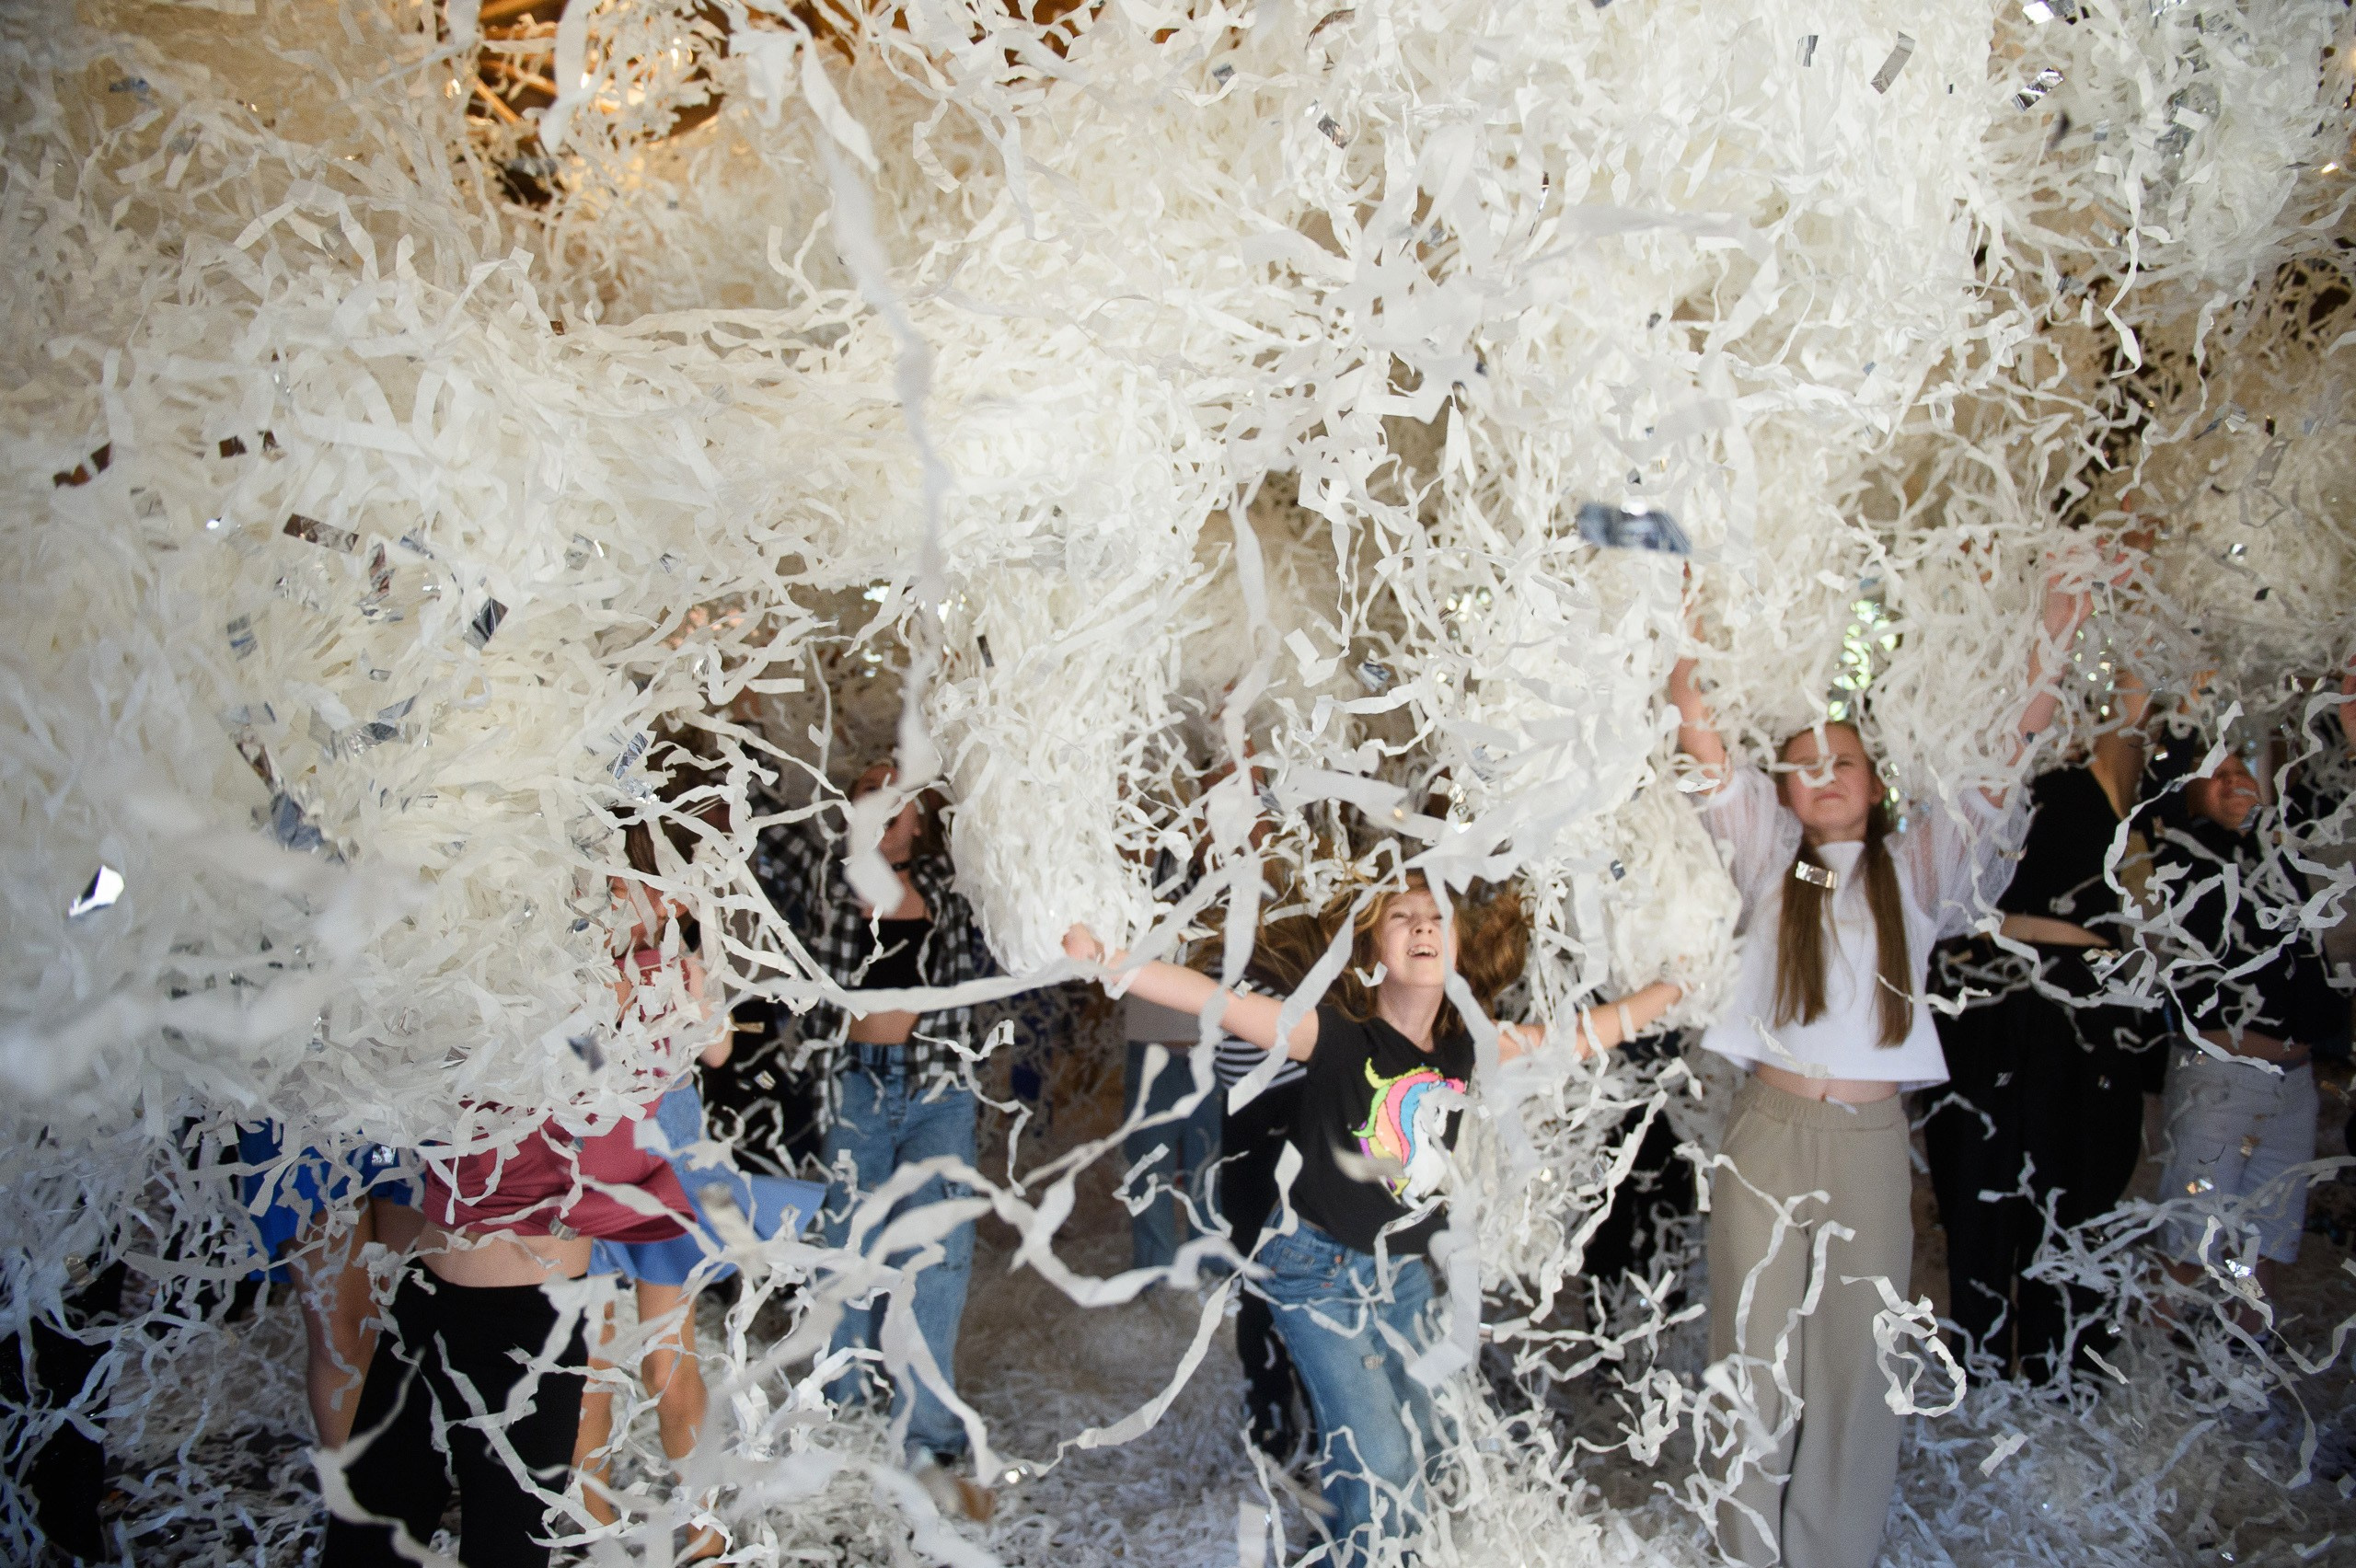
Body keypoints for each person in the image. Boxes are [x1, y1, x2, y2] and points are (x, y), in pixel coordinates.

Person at [1063, 873, 1680, 1568]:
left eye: (1435, 918)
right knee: (1382, 1464)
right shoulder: (1336, 1037)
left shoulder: (1461, 1049)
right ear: (1371, 952)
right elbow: (1222, 1003)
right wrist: (1112, 965)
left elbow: (1571, 1039)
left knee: (1438, 1433)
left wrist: (1669, 990)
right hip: (1316, 1275)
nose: (1421, 927)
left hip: (1402, 1273)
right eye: (1401, 917)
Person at [1668, 573, 2086, 1568]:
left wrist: (2056, 633)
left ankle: (1830, 1551)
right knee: (1752, 1353)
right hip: (1767, 1133)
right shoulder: (1772, 861)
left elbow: (2008, 753)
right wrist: (1684, 631)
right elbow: (1701, 737)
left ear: (1874, 778)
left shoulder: (1923, 867)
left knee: (1854, 1363)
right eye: (1803, 764)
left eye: (1842, 759)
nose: (1822, 774)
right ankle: (1742, 1548)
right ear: (1781, 790)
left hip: (1866, 1143)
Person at [321, 907, 709, 1566]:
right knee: (369, 1532)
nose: (601, 898)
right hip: (427, 1293)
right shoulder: (510, 957)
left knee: (505, 1544)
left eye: (617, 881)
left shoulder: (653, 985)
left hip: (529, 1322)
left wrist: (582, 1008)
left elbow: (610, 1090)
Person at [572, 819, 825, 1559]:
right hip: (603, 1170)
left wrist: (686, 981)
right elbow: (708, 1047)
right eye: (614, 884)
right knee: (595, 1365)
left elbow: (714, 1047)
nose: (619, 897)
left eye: (629, 884)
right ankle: (609, 1531)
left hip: (656, 1171)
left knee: (662, 1361)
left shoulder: (661, 963)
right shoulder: (603, 964)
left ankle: (698, 1530)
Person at [760, 761, 1000, 1517]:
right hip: (851, 1087)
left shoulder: (953, 884)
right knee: (845, 1249)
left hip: (936, 1092)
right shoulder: (825, 872)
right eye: (871, 786)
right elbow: (760, 813)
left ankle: (927, 1437)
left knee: (934, 1260)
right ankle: (845, 1414)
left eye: (901, 794)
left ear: (921, 820)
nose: (884, 798)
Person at [1922, 665, 2158, 1382]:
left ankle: (2063, 1368)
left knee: (2074, 1181)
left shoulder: (2105, 772)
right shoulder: (1975, 777)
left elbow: (2136, 689)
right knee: (1976, 1182)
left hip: (2074, 1007)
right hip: (1982, 998)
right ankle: (1981, 1363)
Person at [2142, 734, 2342, 1333]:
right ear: (2188, 788)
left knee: (2259, 1249)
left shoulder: (2273, 854)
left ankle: (2242, 1370)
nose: (2234, 783)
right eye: (2216, 774)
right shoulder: (2182, 851)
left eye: (2242, 770)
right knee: (2188, 1238)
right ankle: (2150, 1369)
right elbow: (2155, 791)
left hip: (2294, 1084)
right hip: (2220, 1084)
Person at [233, 1130, 424, 1446]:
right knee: (340, 1338)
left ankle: (398, 1478)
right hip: (306, 1115)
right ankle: (349, 1486)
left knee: (401, 1324)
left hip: (399, 1117)